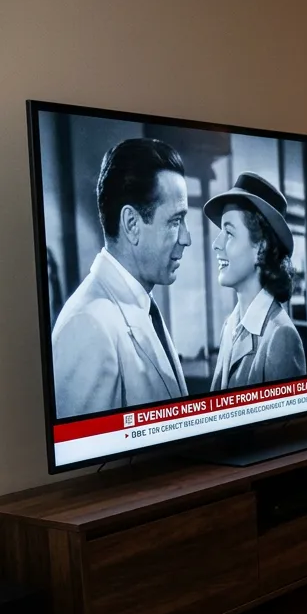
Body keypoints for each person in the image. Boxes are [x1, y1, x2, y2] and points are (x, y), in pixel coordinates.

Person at [50, 138, 191, 419]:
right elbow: (87, 460)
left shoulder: (141, 303)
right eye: (175, 221)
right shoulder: (88, 326)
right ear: (131, 225)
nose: (186, 238)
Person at [204, 172, 305, 391]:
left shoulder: (281, 337)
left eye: (229, 233)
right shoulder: (230, 325)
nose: (216, 244)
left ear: (261, 247)